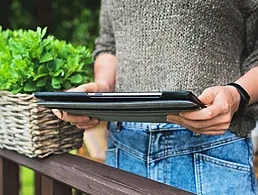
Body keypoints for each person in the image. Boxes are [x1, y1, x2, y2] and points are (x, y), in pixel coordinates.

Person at [53, 1, 258, 194]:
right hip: (125, 147)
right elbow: (109, 46)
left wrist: (236, 94)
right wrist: (102, 87)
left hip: (211, 150)